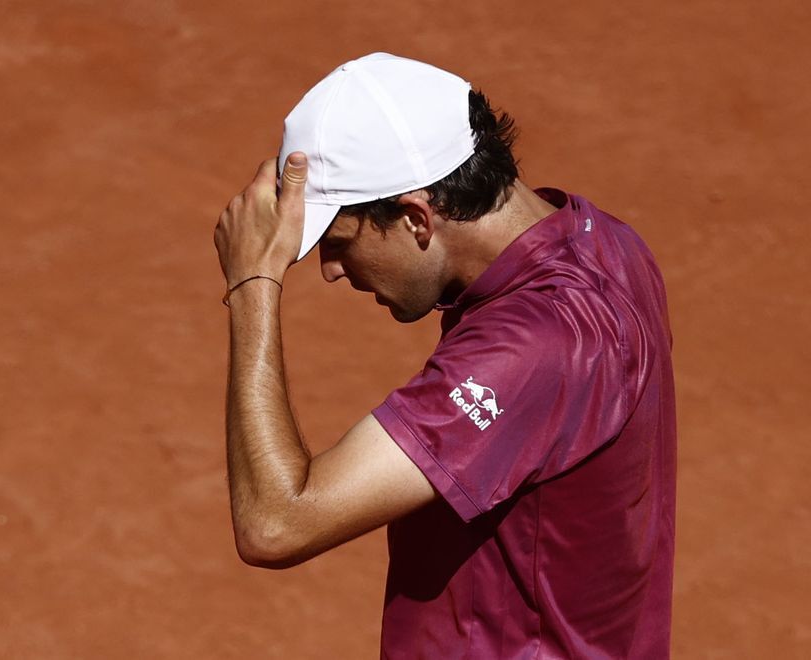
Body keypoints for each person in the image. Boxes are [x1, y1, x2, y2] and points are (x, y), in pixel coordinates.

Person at [214, 53, 676, 659]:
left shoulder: (537, 344)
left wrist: (252, 282)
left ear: (415, 218)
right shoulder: (606, 242)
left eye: (338, 243)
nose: (330, 271)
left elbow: (276, 524)